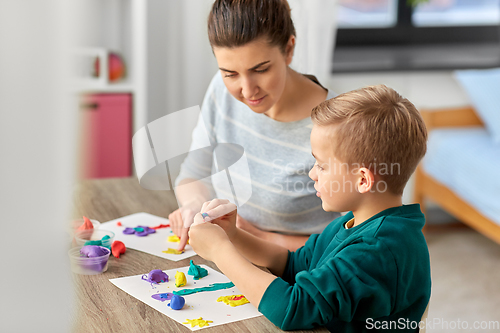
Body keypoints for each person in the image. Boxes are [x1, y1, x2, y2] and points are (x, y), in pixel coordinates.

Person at [188, 85, 432, 332]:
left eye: (322, 166)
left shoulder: (377, 249)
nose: (312, 173)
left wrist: (219, 251)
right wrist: (234, 235)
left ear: (362, 180)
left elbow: (292, 309)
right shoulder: (356, 221)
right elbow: (295, 264)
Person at [169, 0, 339, 252]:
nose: (247, 90)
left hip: (302, 278)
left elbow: (360, 240)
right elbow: (193, 173)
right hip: (230, 261)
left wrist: (257, 238)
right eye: (230, 74)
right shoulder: (220, 90)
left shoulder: (338, 124)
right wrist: (194, 205)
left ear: (289, 49)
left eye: (260, 69)